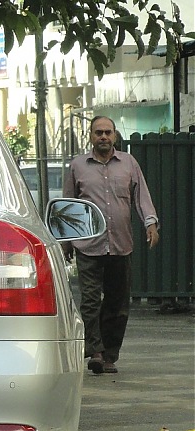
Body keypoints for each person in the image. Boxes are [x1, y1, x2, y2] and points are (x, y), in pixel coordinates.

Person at [62, 116, 159, 374]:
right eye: (98, 133)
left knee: (117, 303)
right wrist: (67, 242)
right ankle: (94, 350)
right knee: (91, 301)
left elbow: (141, 197)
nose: (103, 137)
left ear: (115, 136)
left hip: (120, 244)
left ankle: (109, 355)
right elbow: (69, 206)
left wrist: (150, 223)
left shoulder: (129, 163)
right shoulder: (77, 166)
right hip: (88, 246)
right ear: (91, 136)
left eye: (107, 132)